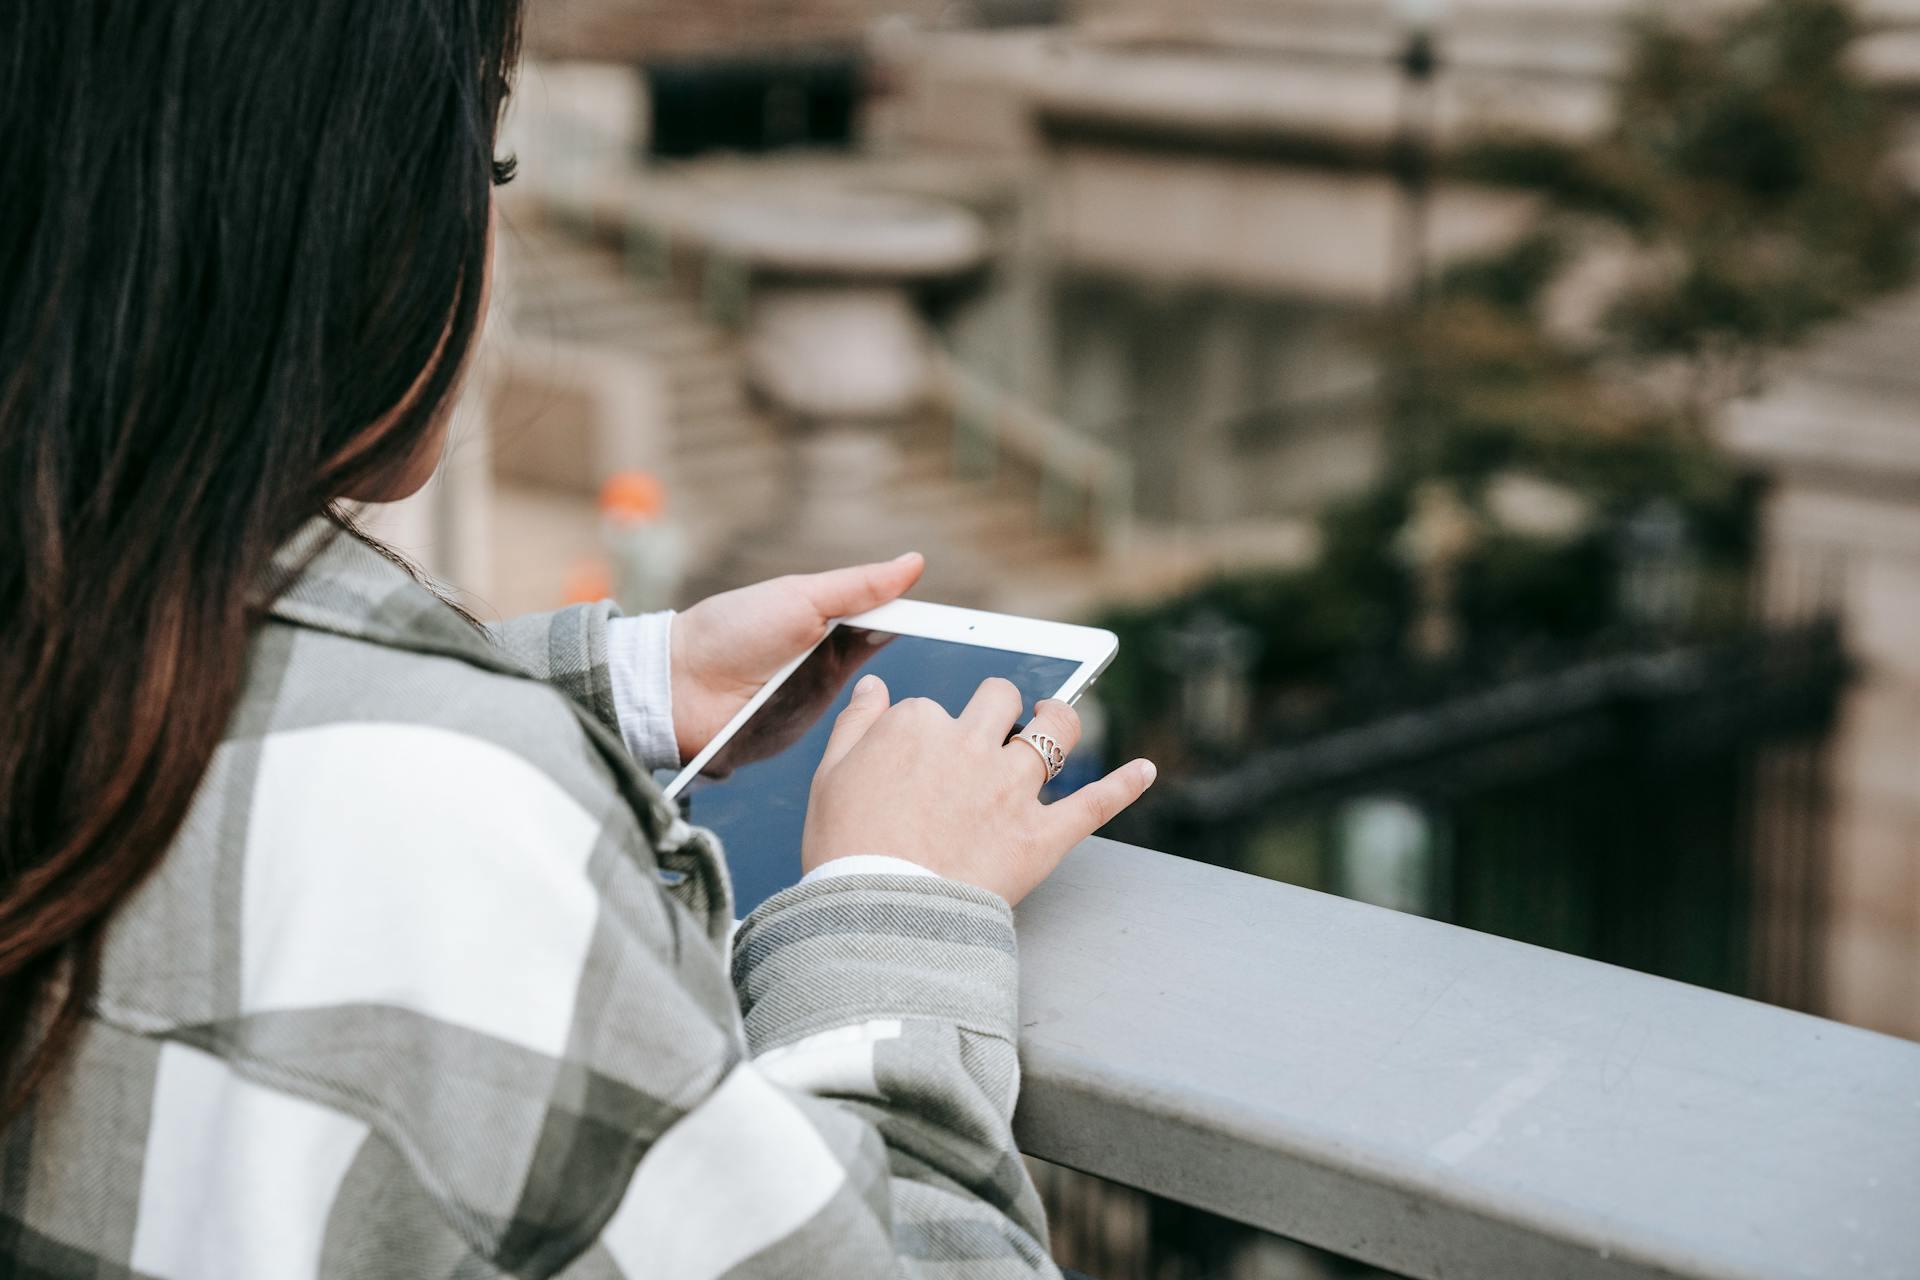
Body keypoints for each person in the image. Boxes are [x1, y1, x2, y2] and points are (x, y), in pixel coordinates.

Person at [0, 2, 1157, 1276]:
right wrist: (894, 912)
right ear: (325, 213)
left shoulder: (68, 617)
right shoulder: (449, 841)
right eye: (486, 162)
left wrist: (620, 686)